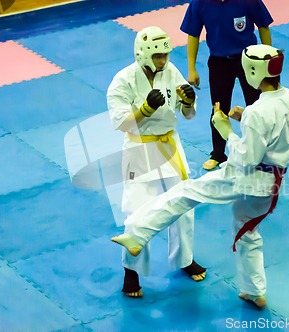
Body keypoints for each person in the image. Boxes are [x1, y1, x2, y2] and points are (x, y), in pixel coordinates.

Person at [112, 44, 289, 308]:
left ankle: (136, 233)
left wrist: (227, 130)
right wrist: (245, 122)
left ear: (252, 70)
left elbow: (245, 158)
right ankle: (254, 290)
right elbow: (283, 130)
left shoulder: (256, 112)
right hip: (271, 185)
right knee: (247, 232)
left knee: (185, 192)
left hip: (245, 177)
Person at [106, 26, 206, 298]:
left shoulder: (171, 71)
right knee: (137, 212)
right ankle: (131, 270)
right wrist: (144, 110)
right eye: (159, 56)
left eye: (166, 54)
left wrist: (188, 102)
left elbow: (186, 115)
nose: (163, 60)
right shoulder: (122, 80)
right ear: (144, 54)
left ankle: (184, 259)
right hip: (140, 150)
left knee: (184, 204)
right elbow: (119, 123)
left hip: (170, 146)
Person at [180, 0, 274, 170]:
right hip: (219, 62)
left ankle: (261, 151)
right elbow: (193, 34)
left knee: (257, 108)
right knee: (218, 108)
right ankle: (218, 154)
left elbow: (263, 26)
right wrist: (191, 69)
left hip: (249, 60)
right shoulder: (200, 3)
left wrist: (269, 57)